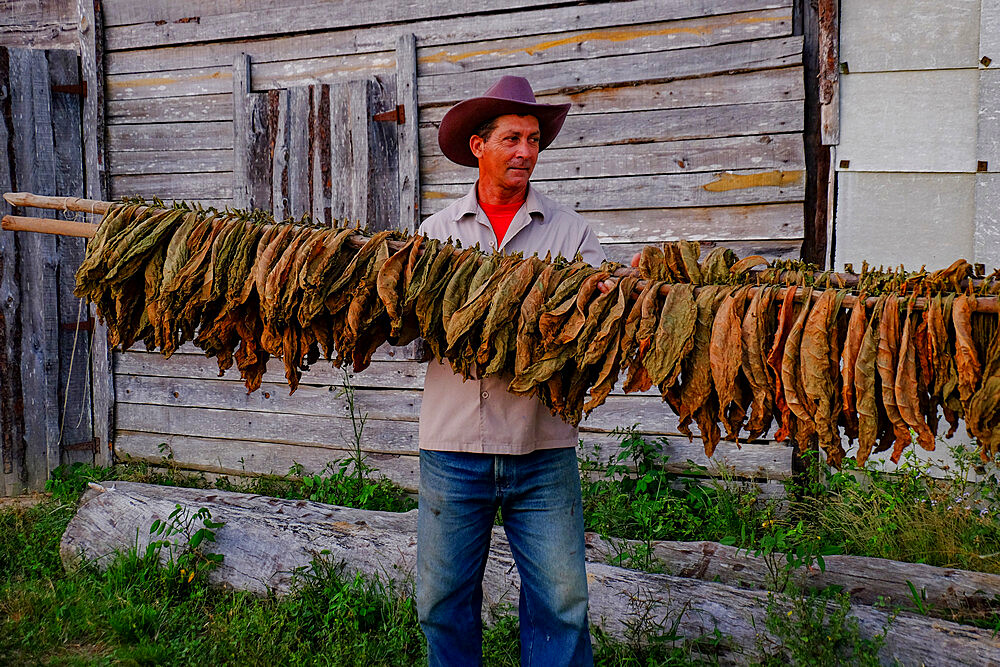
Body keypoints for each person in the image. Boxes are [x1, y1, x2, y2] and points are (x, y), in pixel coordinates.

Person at [415, 75, 605, 667]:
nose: (525, 151)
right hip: (453, 448)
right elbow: (417, 328)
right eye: (511, 139)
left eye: (533, 140)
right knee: (441, 600)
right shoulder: (436, 235)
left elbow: (597, 327)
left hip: (541, 446)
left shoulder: (571, 233)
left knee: (563, 598)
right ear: (478, 146)